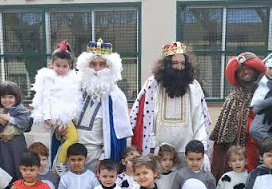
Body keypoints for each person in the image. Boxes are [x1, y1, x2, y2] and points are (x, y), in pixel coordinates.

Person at [130, 41, 211, 162]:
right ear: (166, 65)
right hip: (159, 154)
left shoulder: (193, 87)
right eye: (175, 63)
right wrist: (151, 146)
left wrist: (200, 148)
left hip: (187, 155)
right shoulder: (153, 85)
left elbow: (199, 120)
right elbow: (146, 117)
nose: (179, 67)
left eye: (182, 63)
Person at [74, 39, 133, 170]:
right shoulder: (73, 90)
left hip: (96, 158)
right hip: (71, 154)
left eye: (102, 64)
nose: (97, 69)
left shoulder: (116, 97)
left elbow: (118, 136)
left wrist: (104, 159)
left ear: (110, 67)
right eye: (93, 64)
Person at [210, 52, 266, 178]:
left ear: (255, 70)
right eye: (241, 70)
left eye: (248, 68)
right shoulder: (233, 98)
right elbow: (222, 137)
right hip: (235, 153)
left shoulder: (264, 94)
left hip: (257, 149)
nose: (245, 72)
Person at [31, 40, 82, 173]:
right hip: (56, 115)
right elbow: (46, 98)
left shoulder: (73, 79)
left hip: (66, 115)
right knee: (73, 138)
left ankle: (60, 161)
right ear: (51, 64)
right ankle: (60, 162)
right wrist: (48, 116)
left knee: (69, 138)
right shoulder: (49, 78)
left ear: (70, 66)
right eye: (57, 65)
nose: (60, 69)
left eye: (64, 66)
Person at [0, 81, 32, 181]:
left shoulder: (19, 108)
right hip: (2, 146)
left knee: (19, 166)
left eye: (10, 97)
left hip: (17, 145)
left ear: (16, 97)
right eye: (4, 97)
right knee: (4, 167)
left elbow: (25, 121)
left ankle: (21, 186)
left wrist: (10, 119)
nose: (7, 100)